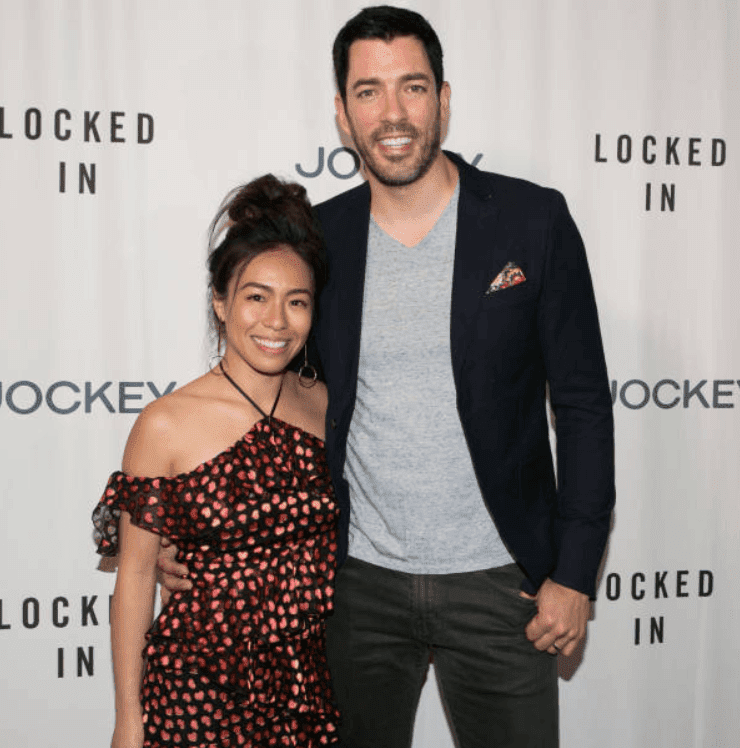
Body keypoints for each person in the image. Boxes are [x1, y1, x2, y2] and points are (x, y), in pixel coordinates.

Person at [161, 6, 615, 747]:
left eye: (413, 86)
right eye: (369, 91)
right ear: (342, 114)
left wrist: (575, 573)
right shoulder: (323, 239)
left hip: (503, 583)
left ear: (443, 96)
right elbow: (271, 396)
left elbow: (584, 405)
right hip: (353, 586)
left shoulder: (532, 222)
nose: (393, 112)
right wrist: (196, 531)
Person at [92, 174, 340, 748]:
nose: (277, 321)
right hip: (195, 688)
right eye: (256, 296)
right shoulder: (165, 423)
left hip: (304, 686)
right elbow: (133, 579)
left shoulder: (326, 405)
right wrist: (129, 720)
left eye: (296, 301)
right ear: (221, 301)